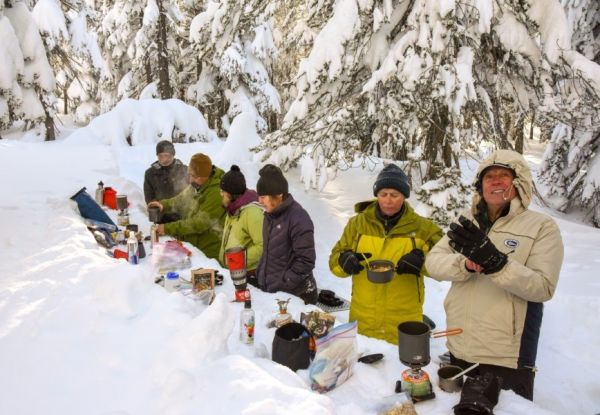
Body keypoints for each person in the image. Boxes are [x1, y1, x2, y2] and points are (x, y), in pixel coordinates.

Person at [425, 149, 564, 401]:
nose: (496, 180)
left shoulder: (541, 226)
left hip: (506, 356)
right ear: (481, 185)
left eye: (504, 175)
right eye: (489, 176)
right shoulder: (468, 221)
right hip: (460, 345)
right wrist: (465, 264)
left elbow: (543, 287)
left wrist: (498, 263)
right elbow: (433, 263)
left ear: (519, 182)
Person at [329, 164, 443, 344]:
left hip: (404, 322)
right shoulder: (357, 225)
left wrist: (423, 263)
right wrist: (344, 261)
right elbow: (334, 263)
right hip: (363, 318)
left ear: (404, 196)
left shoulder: (424, 229)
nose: (388, 200)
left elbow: (446, 266)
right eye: (383, 194)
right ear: (377, 195)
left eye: (394, 195)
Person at [254, 164, 318, 304]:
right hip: (276, 294)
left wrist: (283, 284)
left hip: (296, 297)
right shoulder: (270, 216)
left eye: (263, 197)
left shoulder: (298, 218)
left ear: (278, 195)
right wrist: (260, 275)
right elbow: (270, 252)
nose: (260, 201)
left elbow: (306, 261)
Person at [148, 153, 225, 259]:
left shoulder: (216, 193)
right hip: (195, 246)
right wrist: (163, 205)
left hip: (210, 252)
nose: (191, 179)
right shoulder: (197, 184)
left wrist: (167, 228)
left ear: (206, 176)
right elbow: (181, 200)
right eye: (190, 175)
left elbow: (199, 223)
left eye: (195, 177)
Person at [218, 165, 264, 276]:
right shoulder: (233, 209)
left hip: (248, 275)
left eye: (222, 191)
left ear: (231, 194)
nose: (220, 194)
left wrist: (237, 259)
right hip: (232, 271)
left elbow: (264, 246)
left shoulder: (253, 213)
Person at [143, 141, 189, 219]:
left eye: (166, 156)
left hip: (182, 216)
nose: (164, 159)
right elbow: (149, 197)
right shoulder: (150, 173)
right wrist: (154, 210)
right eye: (160, 156)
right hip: (161, 215)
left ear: (172, 155)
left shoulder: (184, 170)